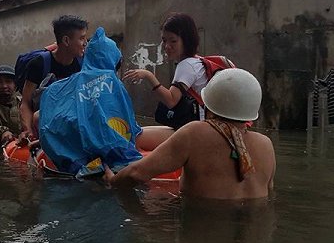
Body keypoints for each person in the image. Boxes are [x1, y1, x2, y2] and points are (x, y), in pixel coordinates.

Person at [103, 68, 276, 200]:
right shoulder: (266, 145)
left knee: (153, 198)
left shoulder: (195, 133)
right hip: (252, 233)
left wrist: (113, 181)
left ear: (208, 106)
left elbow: (135, 174)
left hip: (202, 230)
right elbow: (269, 192)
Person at [39, 27, 142, 177]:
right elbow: (124, 120)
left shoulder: (58, 87)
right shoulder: (112, 80)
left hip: (73, 154)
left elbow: (47, 122)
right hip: (113, 148)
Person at [123, 12, 207, 150]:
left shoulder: (187, 65)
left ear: (187, 40)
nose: (167, 46)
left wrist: (149, 76)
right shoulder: (197, 61)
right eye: (164, 40)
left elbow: (171, 100)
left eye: (173, 41)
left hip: (195, 132)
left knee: (134, 138)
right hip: (196, 127)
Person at [19, 15, 88, 140]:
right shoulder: (39, 64)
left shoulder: (83, 64)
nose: (85, 43)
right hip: (43, 122)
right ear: (66, 41)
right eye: (82, 38)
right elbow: (25, 102)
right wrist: (28, 131)